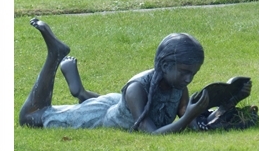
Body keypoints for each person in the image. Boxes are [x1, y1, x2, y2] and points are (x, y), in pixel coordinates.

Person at [19, 18, 216, 132]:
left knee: (112, 103)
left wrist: (206, 116)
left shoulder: (178, 86)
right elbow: (152, 132)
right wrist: (189, 115)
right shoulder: (137, 88)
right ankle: (55, 54)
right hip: (103, 116)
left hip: (119, 104)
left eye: (193, 73)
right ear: (164, 65)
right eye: (185, 72)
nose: (189, 79)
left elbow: (186, 116)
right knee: (30, 117)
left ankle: (80, 92)